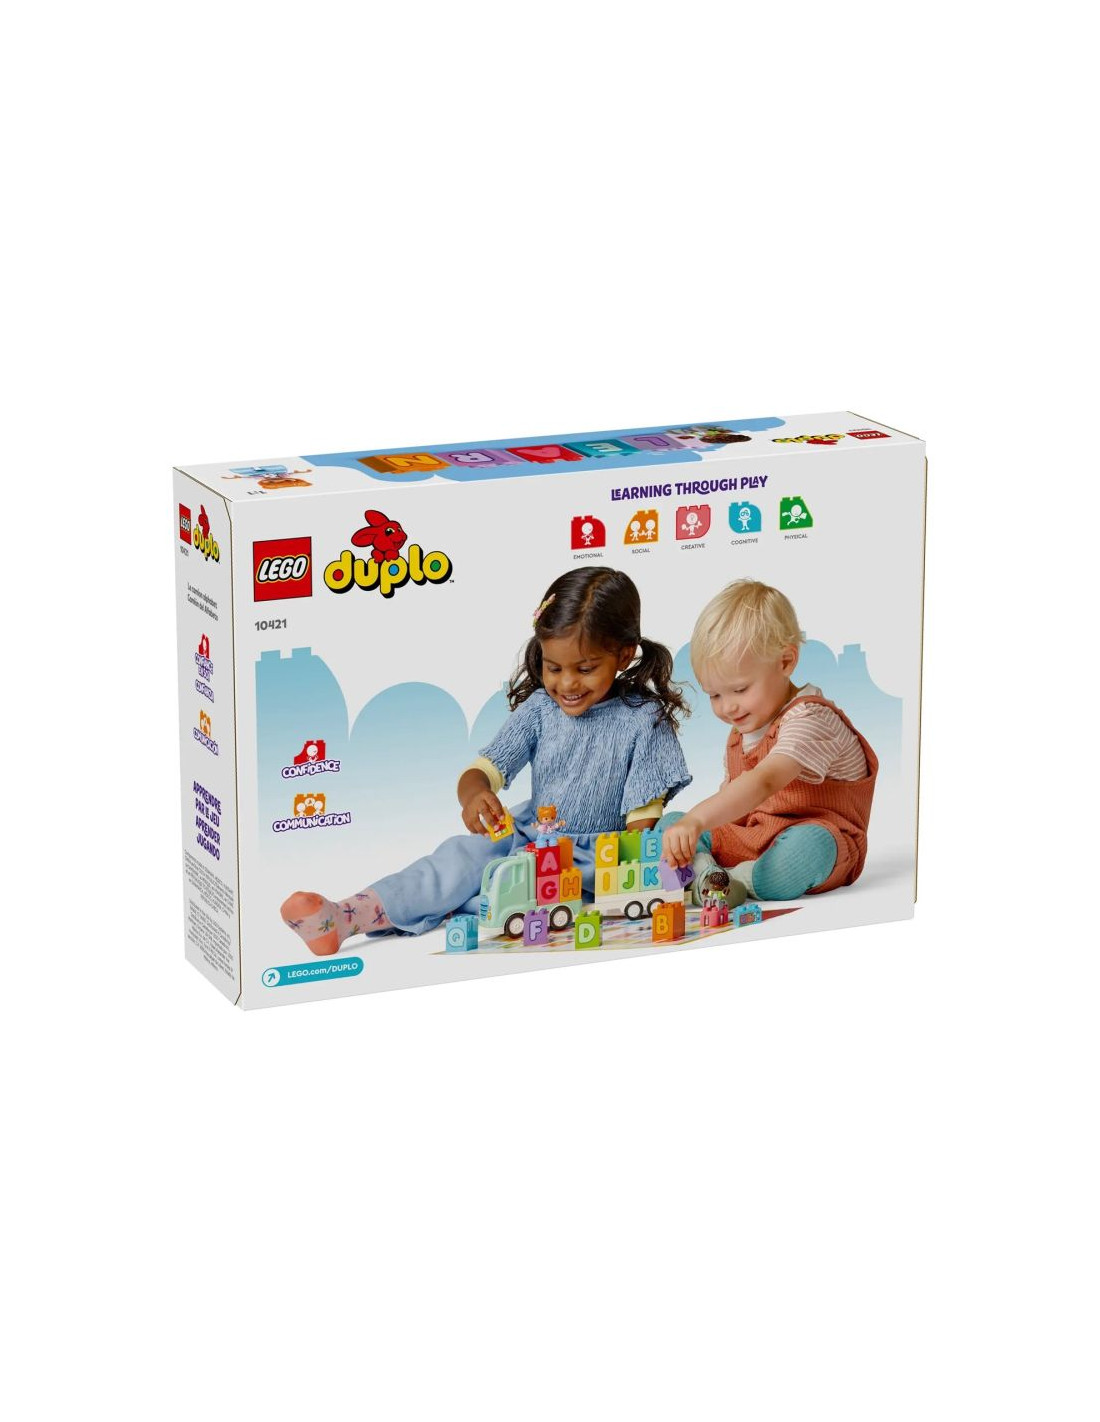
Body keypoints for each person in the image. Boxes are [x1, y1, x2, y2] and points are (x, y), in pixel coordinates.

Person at [281, 567, 692, 954]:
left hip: (597, 856)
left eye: (585, 668)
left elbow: (642, 821)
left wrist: (630, 877)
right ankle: (347, 916)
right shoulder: (540, 709)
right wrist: (475, 795)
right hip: (530, 835)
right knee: (458, 859)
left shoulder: (643, 719)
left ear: (624, 655)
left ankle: (453, 905)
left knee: (508, 892)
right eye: (553, 667)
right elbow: (483, 770)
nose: (566, 683)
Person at [661, 579, 878, 902]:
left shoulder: (810, 718)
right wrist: (688, 827)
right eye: (715, 695)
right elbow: (734, 801)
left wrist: (698, 819)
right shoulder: (742, 729)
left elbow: (764, 781)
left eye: (740, 689)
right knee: (670, 826)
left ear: (785, 662)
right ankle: (710, 875)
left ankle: (730, 879)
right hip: (756, 835)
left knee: (803, 851)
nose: (728, 707)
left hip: (817, 837)